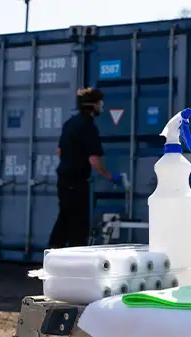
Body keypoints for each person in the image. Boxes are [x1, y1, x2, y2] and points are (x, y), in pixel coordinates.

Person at [48, 87, 123, 248]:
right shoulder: (89, 127)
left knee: (66, 217)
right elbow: (94, 160)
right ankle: (70, 256)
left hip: (64, 179)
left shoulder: (69, 124)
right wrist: (110, 176)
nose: (101, 106)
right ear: (94, 105)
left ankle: (56, 253)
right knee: (77, 221)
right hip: (77, 181)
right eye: (99, 103)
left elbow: (59, 151)